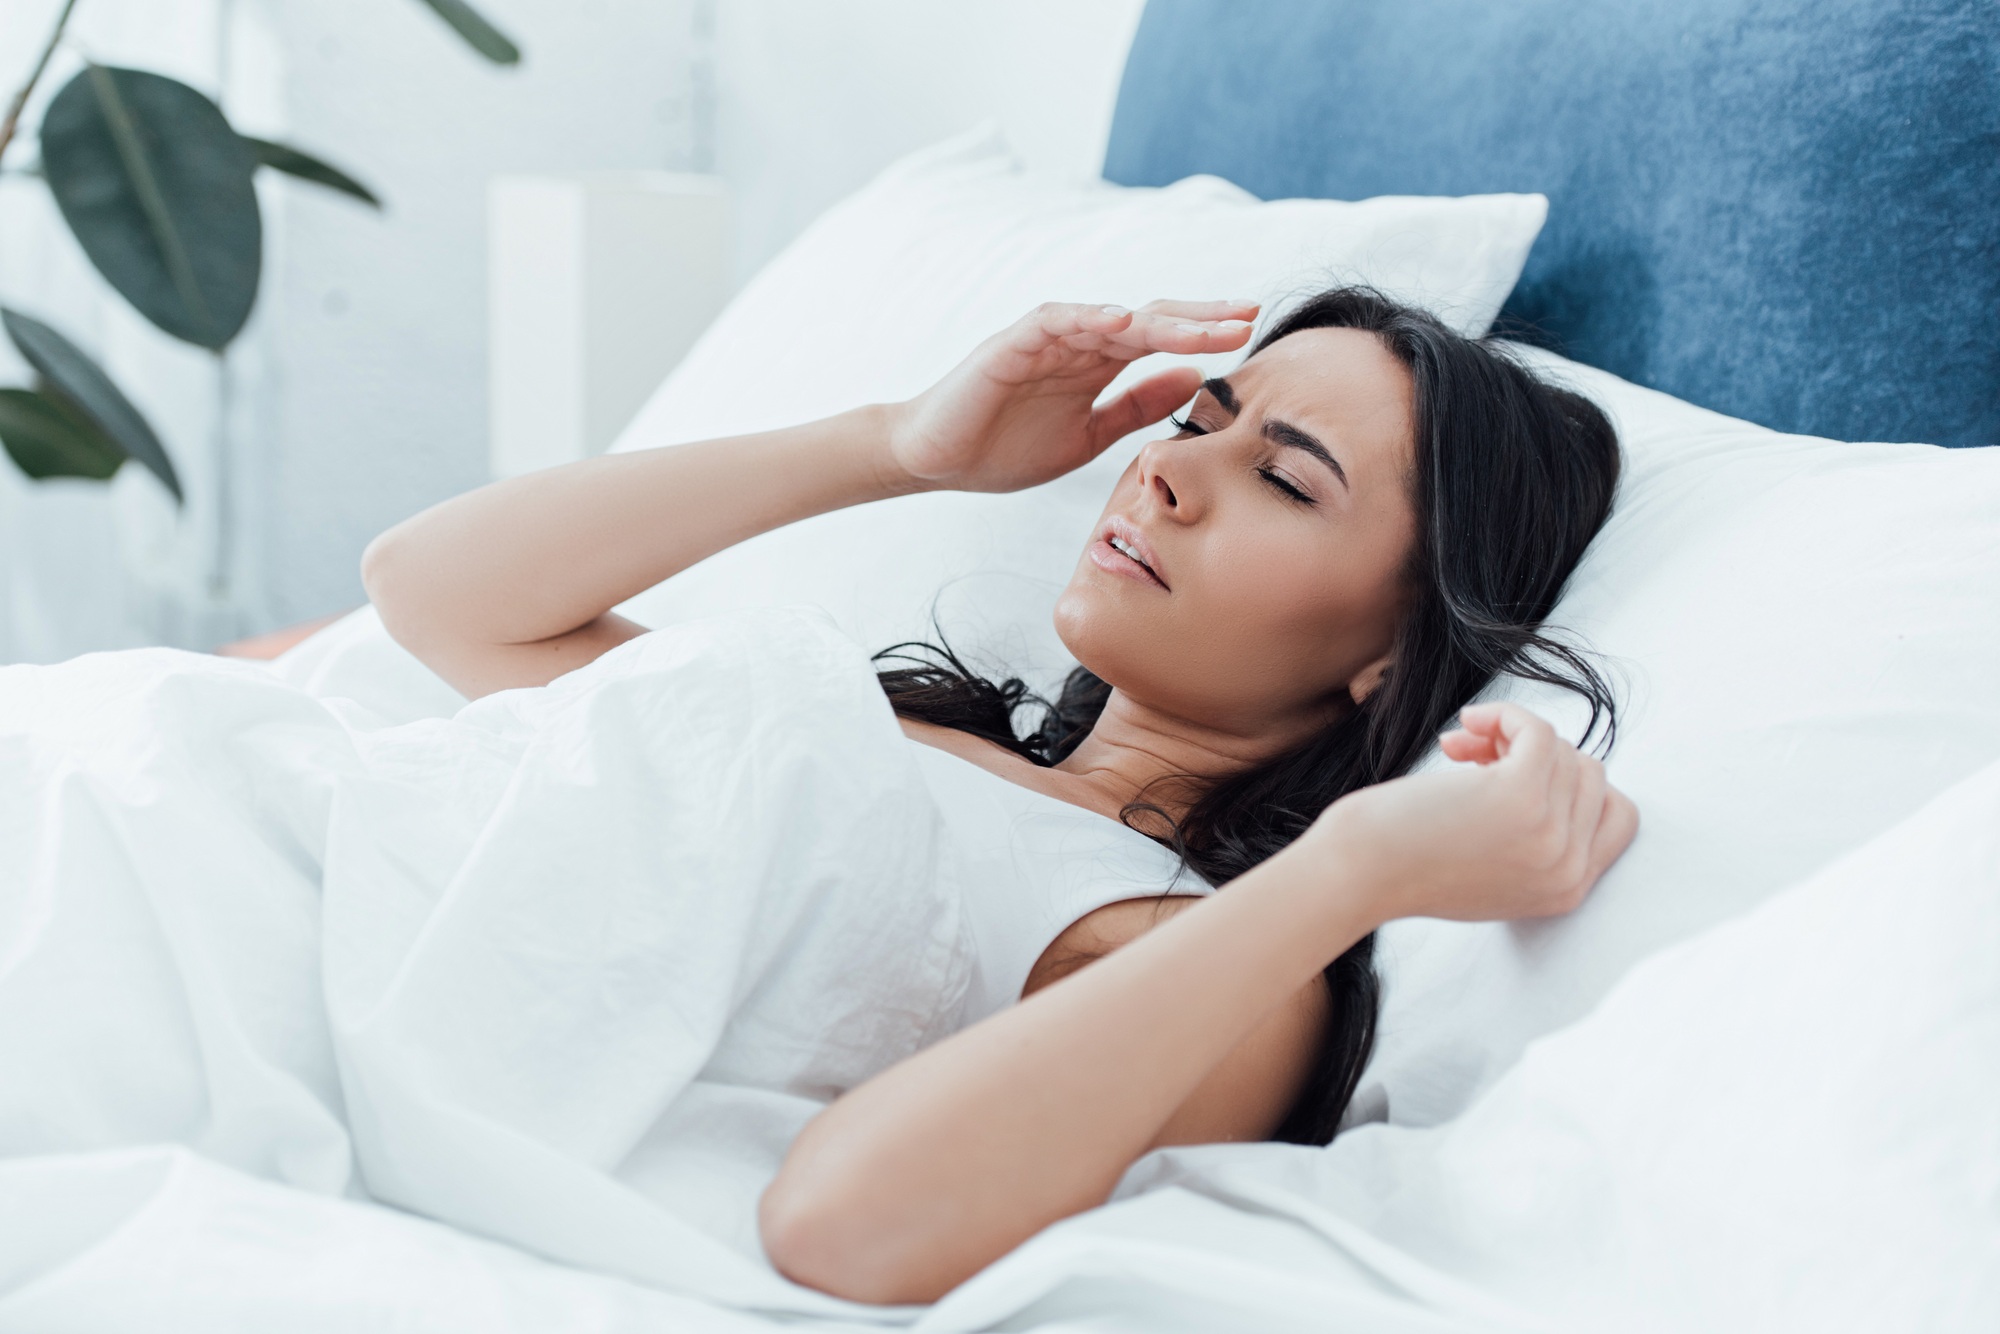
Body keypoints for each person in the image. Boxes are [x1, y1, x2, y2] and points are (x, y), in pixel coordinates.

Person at [362, 287, 1638, 1304]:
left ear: (1392, 656)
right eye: (1198, 422)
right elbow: (429, 586)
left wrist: (1356, 868)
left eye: (1286, 479)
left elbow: (845, 1225)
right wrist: (898, 444)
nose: (1165, 474)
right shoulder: (900, 728)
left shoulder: (1197, 946)